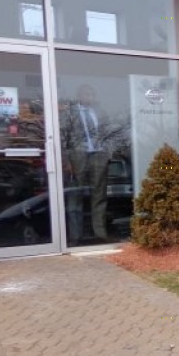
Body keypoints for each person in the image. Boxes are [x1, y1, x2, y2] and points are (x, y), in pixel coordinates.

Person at [63, 84, 111, 244]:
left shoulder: (100, 113)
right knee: (75, 196)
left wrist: (107, 152)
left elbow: (109, 133)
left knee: (99, 195)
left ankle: (100, 233)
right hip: (78, 157)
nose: (89, 97)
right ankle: (75, 236)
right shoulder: (70, 113)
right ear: (79, 96)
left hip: (98, 155)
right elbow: (63, 137)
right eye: (86, 94)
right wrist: (66, 160)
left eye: (92, 94)